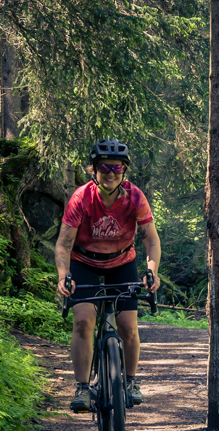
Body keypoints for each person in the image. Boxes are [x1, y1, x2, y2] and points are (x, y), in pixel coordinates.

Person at [56, 138, 162, 412]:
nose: (110, 173)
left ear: (124, 170)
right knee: (83, 321)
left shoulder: (135, 196)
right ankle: (82, 388)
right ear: (93, 169)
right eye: (104, 166)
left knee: (128, 326)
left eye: (117, 168)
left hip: (121, 262)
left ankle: (129, 381)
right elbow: (64, 244)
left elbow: (151, 239)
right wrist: (63, 275)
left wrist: (151, 272)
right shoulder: (81, 198)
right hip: (85, 263)